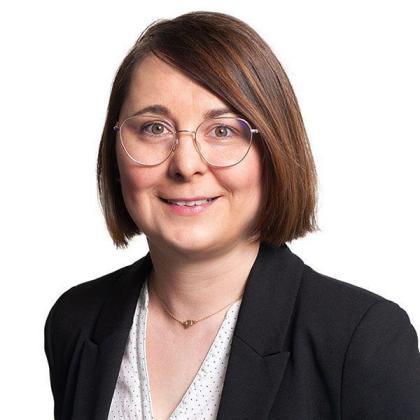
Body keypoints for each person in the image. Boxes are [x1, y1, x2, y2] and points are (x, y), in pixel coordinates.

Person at [44, 10, 420, 420]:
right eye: (154, 128)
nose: (186, 165)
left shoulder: (363, 341)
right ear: (115, 150)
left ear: (274, 150)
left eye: (222, 130)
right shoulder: (75, 321)